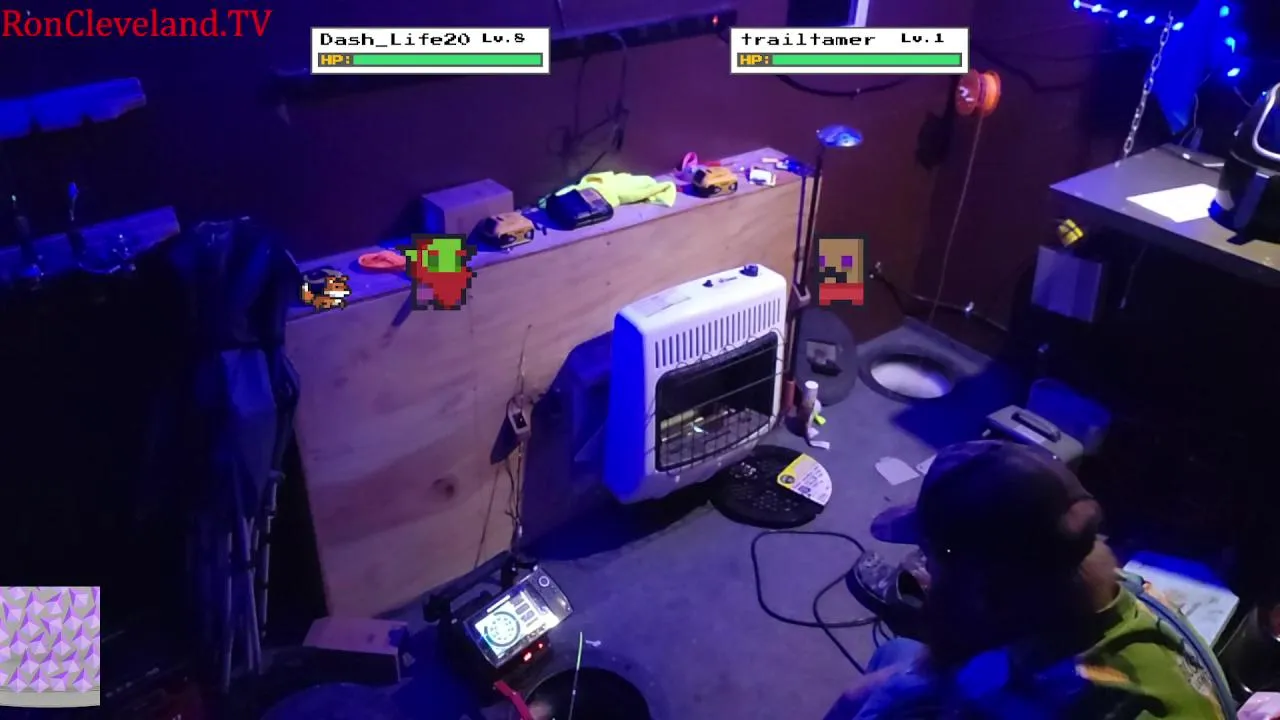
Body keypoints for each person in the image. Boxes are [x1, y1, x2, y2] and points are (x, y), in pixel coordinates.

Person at [824, 439, 1240, 719]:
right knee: (896, 654)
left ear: (985, 593)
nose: (927, 571)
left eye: (932, 560)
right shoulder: (1124, 594)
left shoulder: (1061, 696)